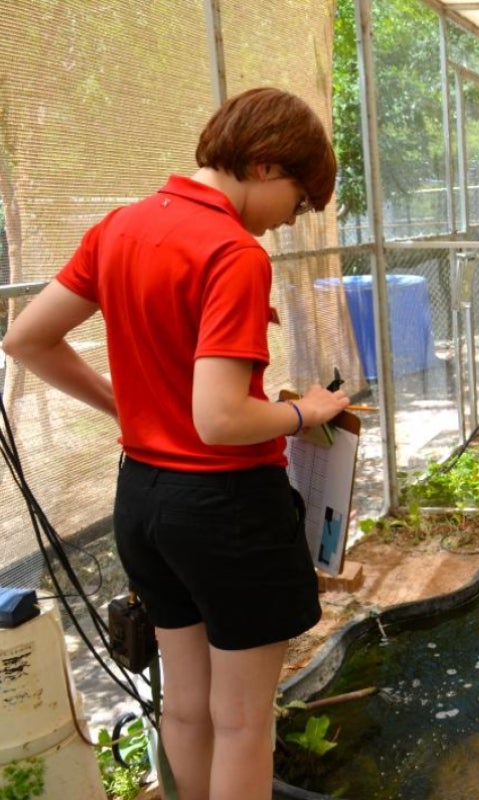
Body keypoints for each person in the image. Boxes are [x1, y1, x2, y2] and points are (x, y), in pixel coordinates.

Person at [2, 87, 350, 800]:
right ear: (262, 165)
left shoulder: (121, 228)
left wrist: (127, 408)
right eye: (299, 197)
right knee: (245, 722)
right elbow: (220, 420)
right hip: (227, 511)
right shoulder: (234, 253)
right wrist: (304, 410)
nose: (292, 218)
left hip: (145, 500)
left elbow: (27, 339)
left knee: (187, 706)